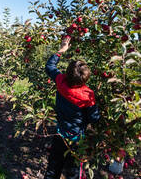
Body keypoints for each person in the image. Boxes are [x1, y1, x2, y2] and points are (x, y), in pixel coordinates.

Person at [44, 36, 100, 179]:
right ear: (85, 79)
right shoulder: (88, 95)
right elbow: (94, 118)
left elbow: (50, 66)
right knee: (73, 172)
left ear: (67, 73)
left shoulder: (60, 80)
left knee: (52, 169)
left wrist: (62, 49)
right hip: (76, 139)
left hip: (60, 134)